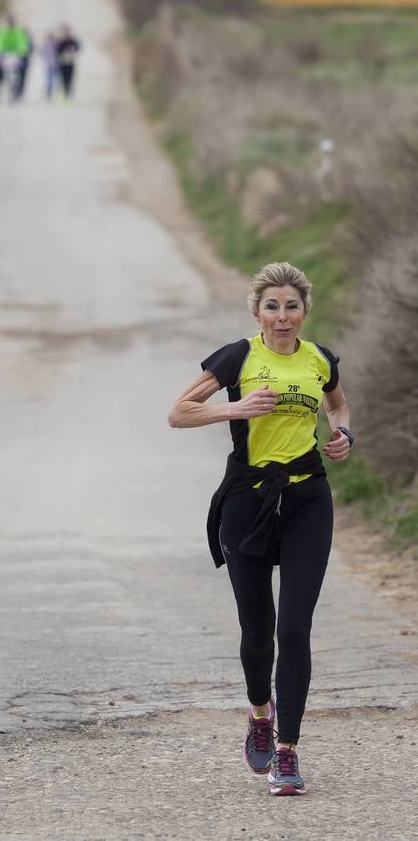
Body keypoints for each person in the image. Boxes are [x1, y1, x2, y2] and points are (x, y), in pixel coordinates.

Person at [168, 262, 353, 797]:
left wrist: (343, 436)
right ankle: (259, 714)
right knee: (258, 628)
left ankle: (288, 755)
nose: (282, 316)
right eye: (271, 306)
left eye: (291, 306)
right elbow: (179, 413)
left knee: (295, 627)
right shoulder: (240, 356)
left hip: (307, 499)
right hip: (247, 501)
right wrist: (238, 408)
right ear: (257, 312)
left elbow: (338, 405)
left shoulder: (320, 360)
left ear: (304, 311)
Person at [56, 25, 81, 99]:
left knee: (70, 79)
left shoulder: (73, 41)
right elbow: (58, 50)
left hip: (71, 62)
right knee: (63, 79)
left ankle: (68, 93)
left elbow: (78, 47)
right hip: (63, 62)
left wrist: (72, 49)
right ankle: (64, 93)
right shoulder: (61, 41)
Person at [40, 32, 59, 100]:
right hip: (49, 66)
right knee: (49, 81)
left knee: (54, 81)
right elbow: (42, 54)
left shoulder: (56, 45)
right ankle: (48, 95)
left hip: (56, 66)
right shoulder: (46, 45)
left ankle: (54, 95)